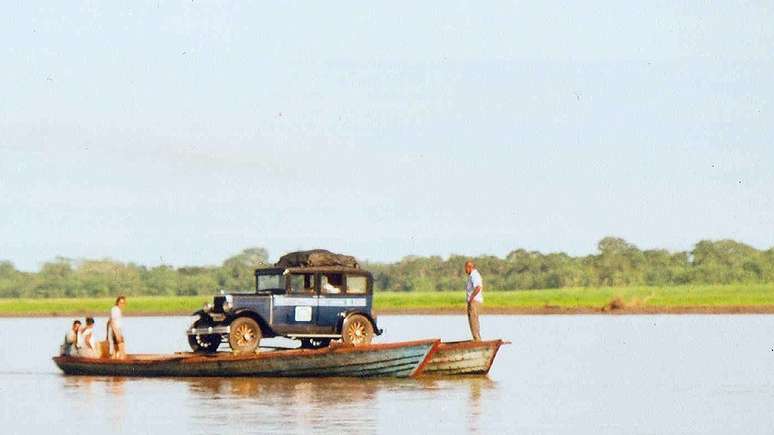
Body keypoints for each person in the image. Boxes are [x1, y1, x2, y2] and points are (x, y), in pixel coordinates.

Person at [464, 261, 483, 341]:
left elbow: (478, 287)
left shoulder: (474, 275)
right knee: (474, 319)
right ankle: (477, 338)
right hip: (474, 301)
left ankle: (477, 339)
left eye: (466, 268)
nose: (465, 270)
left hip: (474, 302)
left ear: (469, 267)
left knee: (473, 320)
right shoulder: (473, 275)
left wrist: (471, 298)